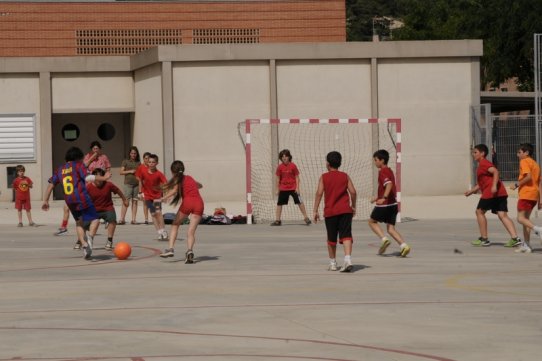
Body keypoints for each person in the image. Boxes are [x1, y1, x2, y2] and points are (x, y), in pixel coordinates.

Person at [42, 146, 111, 259]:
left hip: (70, 201)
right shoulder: (78, 165)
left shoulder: (60, 169)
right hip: (82, 198)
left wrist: (45, 200)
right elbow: (88, 177)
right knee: (96, 219)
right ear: (77, 158)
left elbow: (51, 184)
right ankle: (90, 238)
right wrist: (104, 178)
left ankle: (84, 245)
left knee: (79, 223)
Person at [465, 144, 521, 247]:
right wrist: (471, 191)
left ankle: (484, 239)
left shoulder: (484, 163)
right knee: (502, 215)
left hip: (491, 193)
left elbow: (495, 171)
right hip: (501, 193)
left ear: (482, 153)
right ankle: (515, 238)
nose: (473, 154)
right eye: (473, 152)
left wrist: (494, 186)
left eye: (475, 152)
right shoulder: (482, 165)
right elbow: (482, 183)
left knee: (479, 212)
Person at [313, 151, 357, 272]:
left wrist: (315, 210)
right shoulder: (345, 176)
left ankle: (333, 263)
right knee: (347, 235)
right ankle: (347, 260)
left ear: (327, 163)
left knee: (331, 238)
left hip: (330, 212)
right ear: (340, 163)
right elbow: (353, 192)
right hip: (345, 211)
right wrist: (353, 206)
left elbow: (319, 193)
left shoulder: (324, 177)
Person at [159, 160, 204, 263]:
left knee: (175, 225)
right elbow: (200, 185)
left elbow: (174, 191)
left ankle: (170, 249)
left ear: (172, 171)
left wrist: (163, 198)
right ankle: (189, 251)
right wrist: (196, 185)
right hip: (199, 203)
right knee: (191, 232)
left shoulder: (177, 180)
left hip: (188, 203)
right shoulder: (190, 178)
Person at [368, 150, 411, 257]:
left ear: (382, 160)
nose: (375, 162)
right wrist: (377, 197)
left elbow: (389, 185)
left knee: (372, 222)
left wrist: (383, 198)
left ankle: (384, 239)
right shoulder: (390, 171)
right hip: (394, 205)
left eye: (376, 160)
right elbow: (388, 187)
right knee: (391, 229)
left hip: (385, 205)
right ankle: (404, 246)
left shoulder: (382, 171)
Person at [509, 143, 542, 253]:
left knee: (520, 219)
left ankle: (539, 230)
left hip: (526, 194)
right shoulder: (535, 164)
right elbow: (539, 182)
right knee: (525, 220)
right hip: (534, 195)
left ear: (526, 153)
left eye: (519, 152)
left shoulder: (524, 161)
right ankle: (527, 245)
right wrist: (540, 199)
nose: (517, 155)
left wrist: (517, 184)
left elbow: (528, 177)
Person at [86, 168, 129, 250]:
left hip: (107, 208)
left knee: (112, 219)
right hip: (94, 210)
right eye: (97, 177)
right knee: (83, 225)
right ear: (93, 178)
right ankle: (84, 240)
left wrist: (124, 200)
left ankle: (109, 240)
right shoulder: (88, 187)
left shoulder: (108, 185)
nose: (99, 180)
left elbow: (118, 191)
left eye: (101, 177)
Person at [271, 149, 311, 226]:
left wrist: (297, 188)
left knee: (300, 202)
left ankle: (306, 218)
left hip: (293, 188)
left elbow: (297, 177)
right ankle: (277, 220)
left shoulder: (293, 166)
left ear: (289, 157)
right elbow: (278, 178)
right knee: (279, 204)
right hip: (283, 188)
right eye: (282, 157)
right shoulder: (280, 167)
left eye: (286, 156)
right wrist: (277, 189)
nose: (284, 158)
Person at [137, 153, 168, 241]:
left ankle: (163, 231)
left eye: (153, 162)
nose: (151, 164)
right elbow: (140, 181)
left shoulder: (159, 174)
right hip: (147, 197)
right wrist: (140, 192)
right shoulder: (143, 172)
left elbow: (165, 184)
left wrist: (165, 195)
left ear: (157, 163)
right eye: (149, 162)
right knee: (153, 214)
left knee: (158, 212)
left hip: (157, 196)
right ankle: (159, 233)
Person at [118, 146, 141, 225]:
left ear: (137, 154)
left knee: (135, 201)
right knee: (126, 201)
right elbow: (121, 172)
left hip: (136, 184)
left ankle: (133, 219)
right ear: (129, 154)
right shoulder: (125, 161)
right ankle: (122, 219)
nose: (133, 155)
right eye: (132, 153)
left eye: (135, 153)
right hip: (128, 184)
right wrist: (130, 171)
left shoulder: (139, 163)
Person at [136, 152, 152, 225]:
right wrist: (140, 191)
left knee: (152, 204)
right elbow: (138, 178)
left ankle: (154, 218)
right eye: (146, 158)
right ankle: (146, 219)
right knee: (145, 204)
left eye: (148, 158)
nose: (147, 159)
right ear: (143, 159)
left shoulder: (152, 166)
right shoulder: (141, 167)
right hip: (144, 189)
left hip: (152, 188)